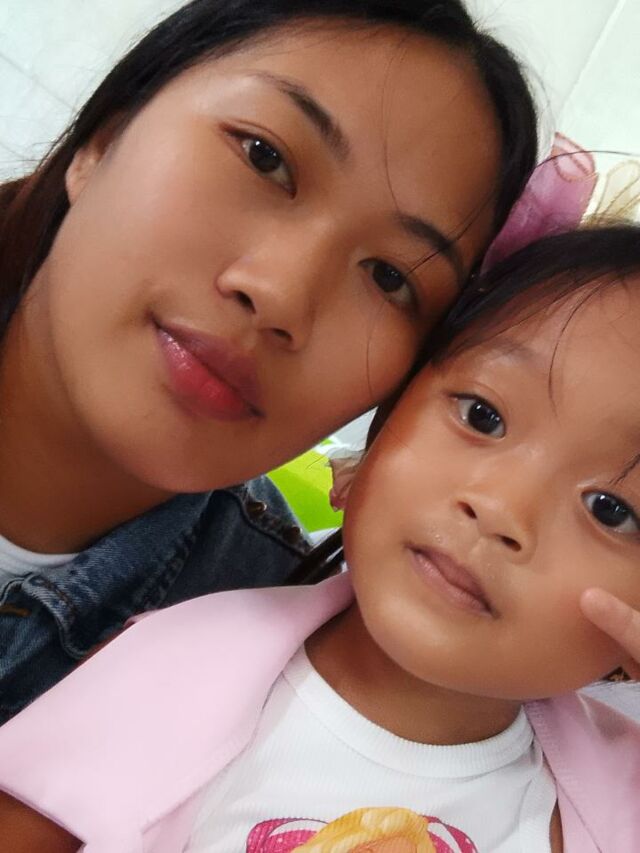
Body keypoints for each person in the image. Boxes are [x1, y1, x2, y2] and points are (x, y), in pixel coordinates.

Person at [2, 223, 640, 852]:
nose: (501, 508)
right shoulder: (161, 665)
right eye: (483, 415)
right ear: (375, 438)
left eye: (611, 510)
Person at [0, 0, 540, 722]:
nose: (281, 295)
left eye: (389, 277)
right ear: (104, 140)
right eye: (265, 157)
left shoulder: (284, 669)